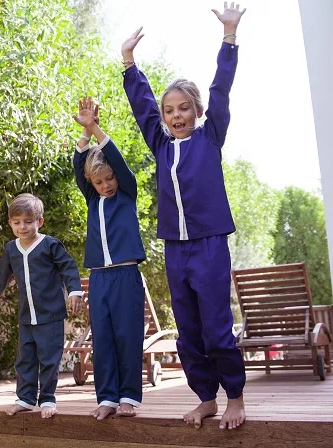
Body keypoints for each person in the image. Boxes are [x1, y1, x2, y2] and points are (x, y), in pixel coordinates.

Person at [121, 2, 247, 430]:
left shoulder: (210, 137)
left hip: (210, 244)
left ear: (197, 111)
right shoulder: (160, 144)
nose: (176, 115)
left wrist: (229, 37)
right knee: (188, 331)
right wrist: (129, 63)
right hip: (176, 248)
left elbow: (221, 89)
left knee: (217, 327)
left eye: (183, 108)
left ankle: (234, 397)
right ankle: (206, 398)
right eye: (169, 110)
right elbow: (142, 106)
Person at [72, 96, 147, 421]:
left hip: (126, 276)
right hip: (99, 278)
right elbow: (79, 167)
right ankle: (107, 398)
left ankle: (128, 397)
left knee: (127, 337)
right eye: (99, 182)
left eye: (109, 179)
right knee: (102, 339)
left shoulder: (127, 192)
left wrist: (96, 129)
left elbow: (115, 158)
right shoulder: (92, 199)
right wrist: (84, 134)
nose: (106, 186)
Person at [0, 193, 83, 419]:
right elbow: (1, 276)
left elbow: (68, 268)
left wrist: (74, 291)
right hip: (26, 316)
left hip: (51, 316)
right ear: (10, 223)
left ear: (39, 221)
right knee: (25, 359)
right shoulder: (11, 249)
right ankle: (25, 398)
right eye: (17, 222)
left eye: (28, 221)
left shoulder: (50, 245)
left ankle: (47, 399)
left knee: (49, 359)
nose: (22, 227)